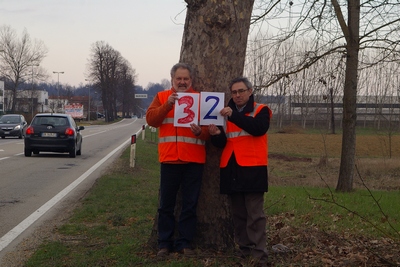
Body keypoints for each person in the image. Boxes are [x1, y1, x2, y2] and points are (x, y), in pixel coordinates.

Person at [145, 63, 209, 257]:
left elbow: (210, 131)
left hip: (193, 160)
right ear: (172, 79)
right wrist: (168, 105)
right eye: (178, 79)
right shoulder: (162, 97)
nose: (182, 82)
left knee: (190, 205)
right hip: (170, 159)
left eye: (186, 79)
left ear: (191, 80)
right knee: (166, 205)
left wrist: (202, 132)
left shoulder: (200, 99)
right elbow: (151, 120)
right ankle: (164, 243)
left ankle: (184, 243)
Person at [208, 77, 272, 266]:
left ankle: (259, 256)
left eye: (241, 91)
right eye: (234, 92)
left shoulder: (261, 110)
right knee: (238, 216)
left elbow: (258, 129)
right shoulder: (223, 113)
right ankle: (244, 252)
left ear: (250, 91)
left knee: (255, 216)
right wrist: (216, 135)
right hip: (231, 168)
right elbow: (222, 143)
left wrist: (233, 116)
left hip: (253, 169)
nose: (237, 95)